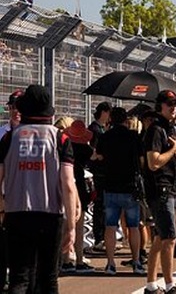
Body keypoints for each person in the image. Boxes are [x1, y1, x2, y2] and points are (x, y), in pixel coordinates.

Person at [0, 84, 77, 293]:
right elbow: (68, 185)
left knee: (19, 278)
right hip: (49, 215)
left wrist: (2, 209)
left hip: (16, 213)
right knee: (49, 278)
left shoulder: (9, 138)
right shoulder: (60, 138)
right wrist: (71, 226)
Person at [143, 90, 176, 294]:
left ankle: (151, 284)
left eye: (175, 104)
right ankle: (170, 285)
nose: (174, 108)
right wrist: (173, 149)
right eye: (169, 104)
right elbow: (153, 163)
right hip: (160, 189)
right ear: (160, 106)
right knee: (169, 238)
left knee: (161, 237)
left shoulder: (170, 129)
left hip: (171, 187)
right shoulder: (155, 130)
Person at [95, 106, 146, 276]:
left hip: (110, 186)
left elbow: (99, 156)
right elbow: (142, 161)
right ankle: (136, 262)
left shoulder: (105, 136)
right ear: (126, 120)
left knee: (110, 226)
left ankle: (110, 264)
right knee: (133, 226)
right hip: (130, 187)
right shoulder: (134, 136)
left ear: (111, 119)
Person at [62, 119, 95, 274]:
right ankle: (79, 260)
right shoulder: (86, 149)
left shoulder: (64, 147)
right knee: (79, 224)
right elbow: (95, 157)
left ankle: (66, 259)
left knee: (66, 224)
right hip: (80, 185)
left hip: (66, 182)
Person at [0, 90, 23, 290]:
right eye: (13, 107)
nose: (16, 111)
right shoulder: (2, 133)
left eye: (19, 107)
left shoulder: (34, 134)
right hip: (4, 195)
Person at [88, 101, 111, 251]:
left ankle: (102, 236)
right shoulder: (95, 129)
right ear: (103, 112)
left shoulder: (101, 128)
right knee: (99, 205)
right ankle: (99, 237)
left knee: (103, 205)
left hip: (102, 172)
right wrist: (99, 155)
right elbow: (92, 150)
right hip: (97, 172)